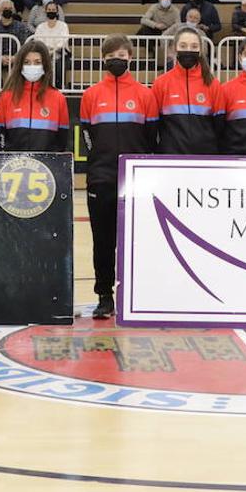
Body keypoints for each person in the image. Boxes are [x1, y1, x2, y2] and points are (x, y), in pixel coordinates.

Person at [80, 34, 159, 318]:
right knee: (102, 241)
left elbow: (151, 137)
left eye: (122, 55)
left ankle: (136, 293)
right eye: (112, 55)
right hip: (101, 178)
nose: (117, 59)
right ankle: (104, 295)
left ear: (131, 57)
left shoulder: (145, 94)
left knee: (136, 240)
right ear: (103, 58)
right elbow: (87, 138)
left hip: (134, 180)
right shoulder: (91, 95)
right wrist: (99, 165)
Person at [151, 28, 224, 155]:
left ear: (200, 51)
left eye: (194, 46)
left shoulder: (213, 84)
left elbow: (220, 125)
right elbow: (153, 126)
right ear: (174, 49)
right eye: (183, 45)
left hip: (206, 156)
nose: (188, 50)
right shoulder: (161, 83)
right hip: (170, 156)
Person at [0, 42, 70, 152]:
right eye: (27, 62)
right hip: (13, 167)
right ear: (20, 65)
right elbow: (0, 136)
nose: (32, 66)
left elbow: (62, 140)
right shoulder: (6, 97)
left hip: (46, 167)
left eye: (37, 62)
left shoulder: (58, 98)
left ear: (45, 65)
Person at [0, 0, 34, 71]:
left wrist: (15, 57)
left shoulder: (21, 26)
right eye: (5, 8)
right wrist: (0, 57)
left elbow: (25, 43)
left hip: (17, 57)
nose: (8, 10)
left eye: (10, 8)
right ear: (0, 10)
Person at [33, 0, 70, 84]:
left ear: (57, 12)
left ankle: (59, 87)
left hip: (60, 54)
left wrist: (53, 51)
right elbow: (38, 41)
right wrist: (47, 52)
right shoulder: (40, 27)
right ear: (45, 11)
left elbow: (63, 41)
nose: (51, 11)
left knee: (59, 66)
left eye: (53, 10)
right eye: (49, 10)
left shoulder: (63, 26)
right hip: (44, 54)